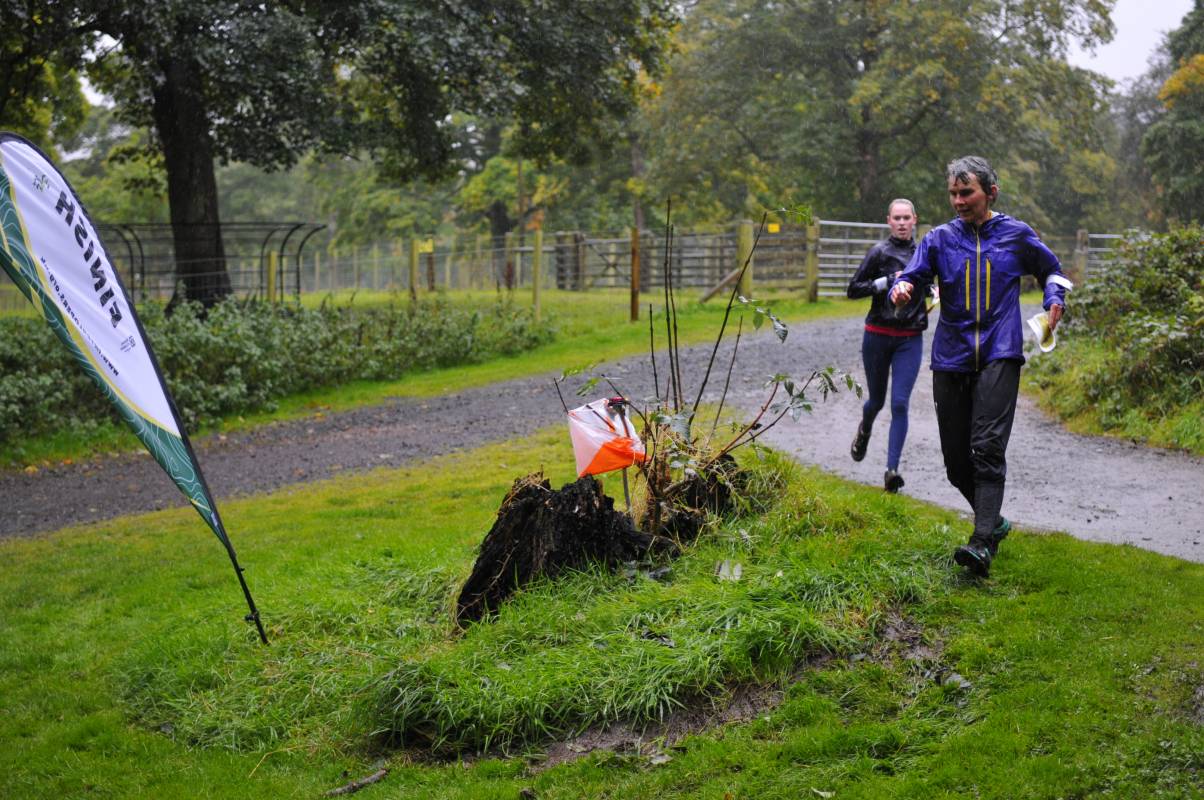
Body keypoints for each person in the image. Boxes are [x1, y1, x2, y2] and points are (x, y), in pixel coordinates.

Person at [890, 155, 1067, 577]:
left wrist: (1054, 301)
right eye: (953, 193)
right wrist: (902, 287)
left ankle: (982, 542)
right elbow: (912, 275)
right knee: (956, 463)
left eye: (966, 192)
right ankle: (996, 521)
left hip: (1000, 352)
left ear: (991, 192)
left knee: (987, 447)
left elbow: (1052, 270)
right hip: (950, 356)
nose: (958, 201)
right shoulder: (938, 239)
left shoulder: (1017, 235)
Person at [846, 198, 931, 493]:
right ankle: (865, 427)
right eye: (897, 218)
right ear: (888, 221)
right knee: (877, 401)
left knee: (899, 404)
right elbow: (853, 290)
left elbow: (934, 283)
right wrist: (887, 281)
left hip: (910, 338)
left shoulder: (925, 252)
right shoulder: (878, 252)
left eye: (907, 217)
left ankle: (891, 471)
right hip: (877, 335)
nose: (903, 223)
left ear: (915, 219)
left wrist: (936, 288)